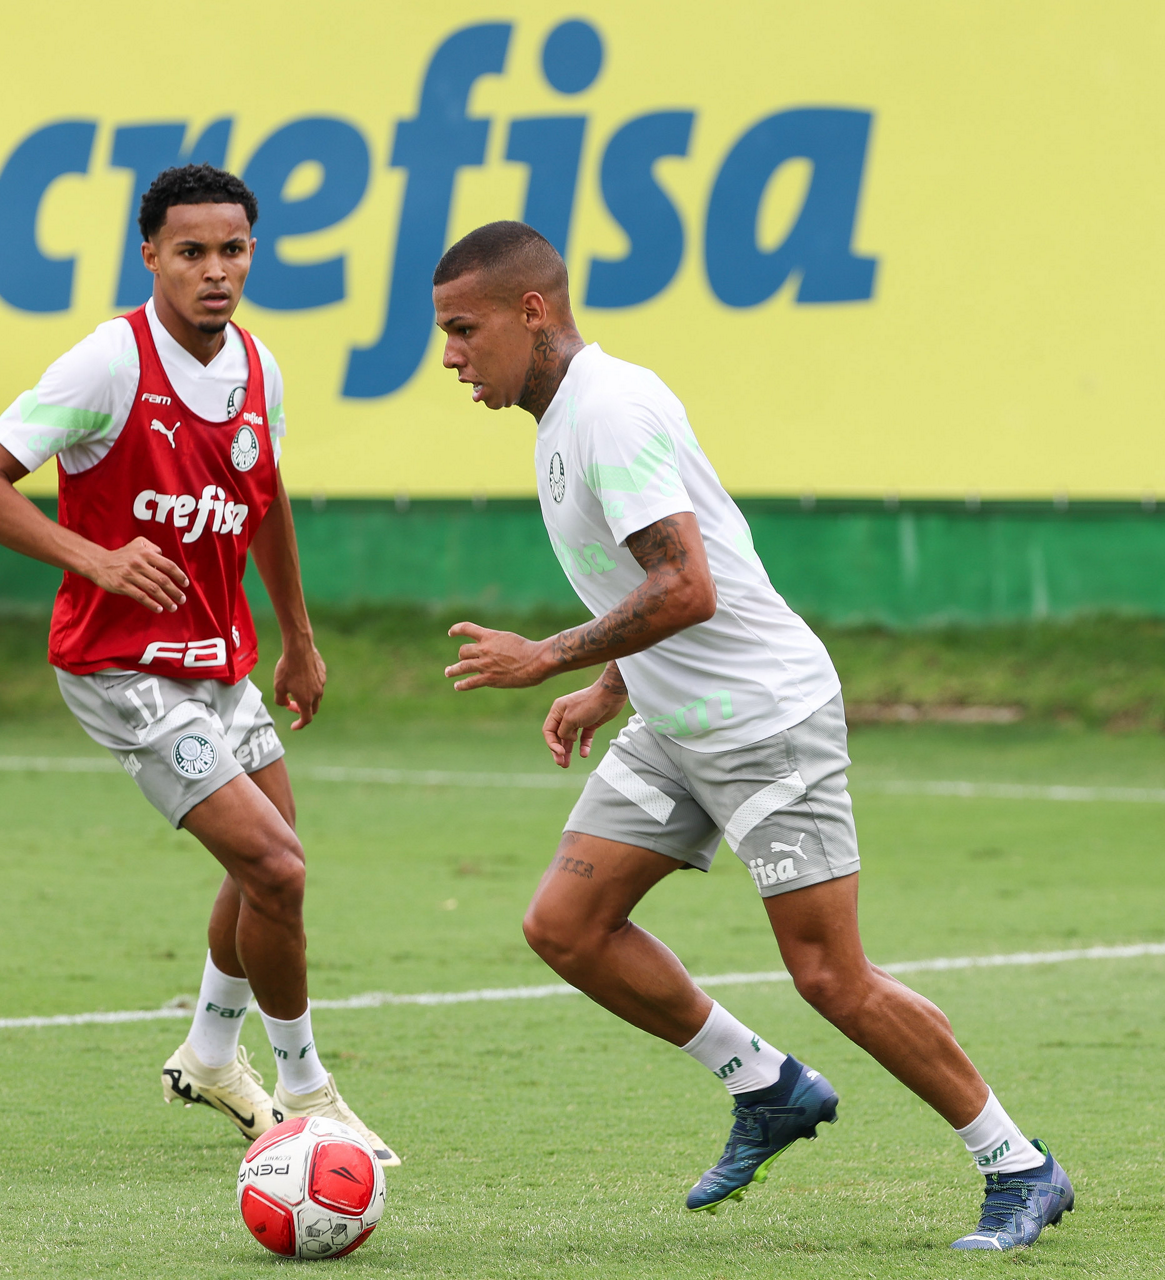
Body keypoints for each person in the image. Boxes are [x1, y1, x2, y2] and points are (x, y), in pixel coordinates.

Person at [431, 220, 1070, 1250]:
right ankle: (766, 1084)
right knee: (566, 925)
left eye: (463, 330)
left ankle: (1019, 1165)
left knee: (831, 976)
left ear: (531, 311)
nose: (451, 356)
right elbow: (663, 575)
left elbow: (689, 584)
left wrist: (546, 657)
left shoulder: (608, 410)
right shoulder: (563, 418)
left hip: (763, 722)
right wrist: (610, 685)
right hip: (673, 724)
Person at [0, 164, 398, 1166]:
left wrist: (299, 635)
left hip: (219, 660)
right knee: (276, 866)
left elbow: (265, 497)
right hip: (122, 668)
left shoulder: (259, 369)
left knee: (267, 858)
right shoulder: (108, 362)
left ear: (252, 253)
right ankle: (308, 1092)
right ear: (150, 255)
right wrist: (95, 557)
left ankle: (210, 1054)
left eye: (232, 250)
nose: (214, 270)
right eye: (191, 252)